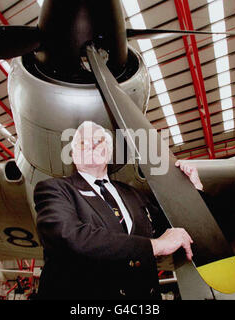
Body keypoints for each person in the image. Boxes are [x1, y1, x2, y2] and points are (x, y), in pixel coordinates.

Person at [34, 121, 202, 300]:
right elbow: (70, 238)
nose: (92, 144)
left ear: (109, 152)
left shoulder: (133, 194)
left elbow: (173, 227)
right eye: (83, 142)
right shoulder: (54, 190)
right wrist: (155, 246)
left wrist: (193, 190)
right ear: (74, 155)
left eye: (99, 141)